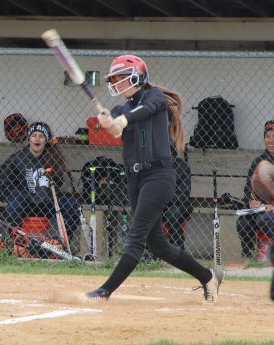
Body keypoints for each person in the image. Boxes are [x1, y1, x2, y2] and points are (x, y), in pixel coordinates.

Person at [85, 55, 224, 302]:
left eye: (121, 77)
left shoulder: (154, 97)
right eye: (114, 79)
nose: (116, 82)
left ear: (137, 76)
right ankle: (208, 277)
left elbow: (143, 111)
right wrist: (108, 122)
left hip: (158, 176)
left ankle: (105, 291)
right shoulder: (121, 108)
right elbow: (117, 123)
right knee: (158, 245)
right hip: (135, 179)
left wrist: (123, 120)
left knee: (135, 237)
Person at [0, 122, 80, 252]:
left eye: (41, 136)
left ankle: (62, 244)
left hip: (47, 203)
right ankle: (17, 243)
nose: (37, 139)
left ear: (46, 140)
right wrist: (18, 194)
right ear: (29, 138)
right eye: (34, 135)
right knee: (14, 202)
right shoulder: (17, 158)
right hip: (25, 202)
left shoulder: (53, 157)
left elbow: (58, 184)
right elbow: (4, 182)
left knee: (71, 205)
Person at [236, 120, 274, 258]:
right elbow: (248, 189)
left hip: (269, 211)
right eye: (267, 137)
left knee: (264, 220)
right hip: (262, 209)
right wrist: (251, 201)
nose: (270, 140)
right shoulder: (258, 161)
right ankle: (249, 258)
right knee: (243, 222)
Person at [162, 145, 193, 250]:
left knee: (173, 213)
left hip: (179, 205)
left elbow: (184, 194)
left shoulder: (182, 166)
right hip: (158, 204)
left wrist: (164, 198)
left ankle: (177, 250)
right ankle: (149, 252)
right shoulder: (155, 166)